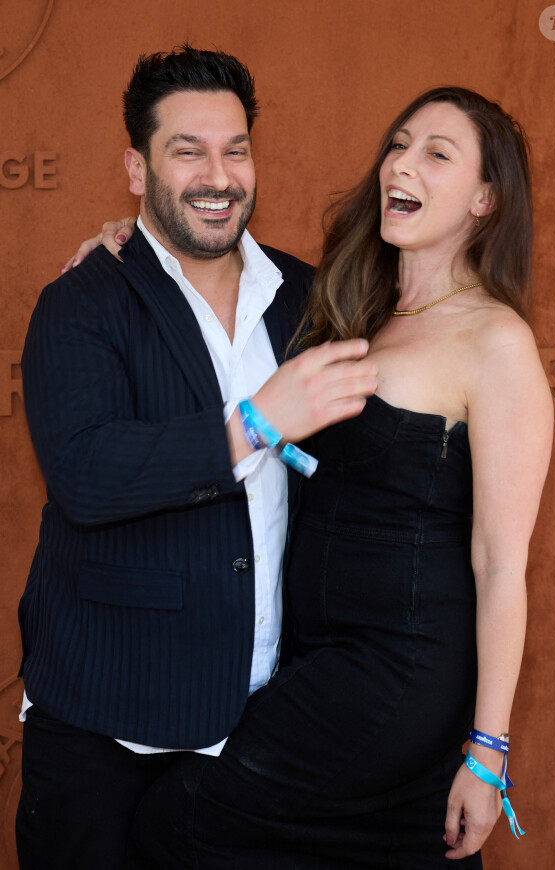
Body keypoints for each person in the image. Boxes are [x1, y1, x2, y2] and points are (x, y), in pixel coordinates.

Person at [80, 86, 552, 868]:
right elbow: (214, 270)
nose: (402, 162)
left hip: (394, 672)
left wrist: (488, 750)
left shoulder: (495, 341)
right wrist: (127, 249)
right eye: (399, 144)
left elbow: (501, 565)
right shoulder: (346, 303)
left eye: (437, 153)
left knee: (176, 824)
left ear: (485, 198)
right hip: (312, 657)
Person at [15, 45, 378, 870]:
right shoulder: (82, 299)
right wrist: (253, 420)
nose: (218, 175)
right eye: (188, 150)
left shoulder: (307, 295)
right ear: (136, 170)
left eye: (235, 148)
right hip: (106, 725)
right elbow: (84, 474)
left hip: (263, 721)